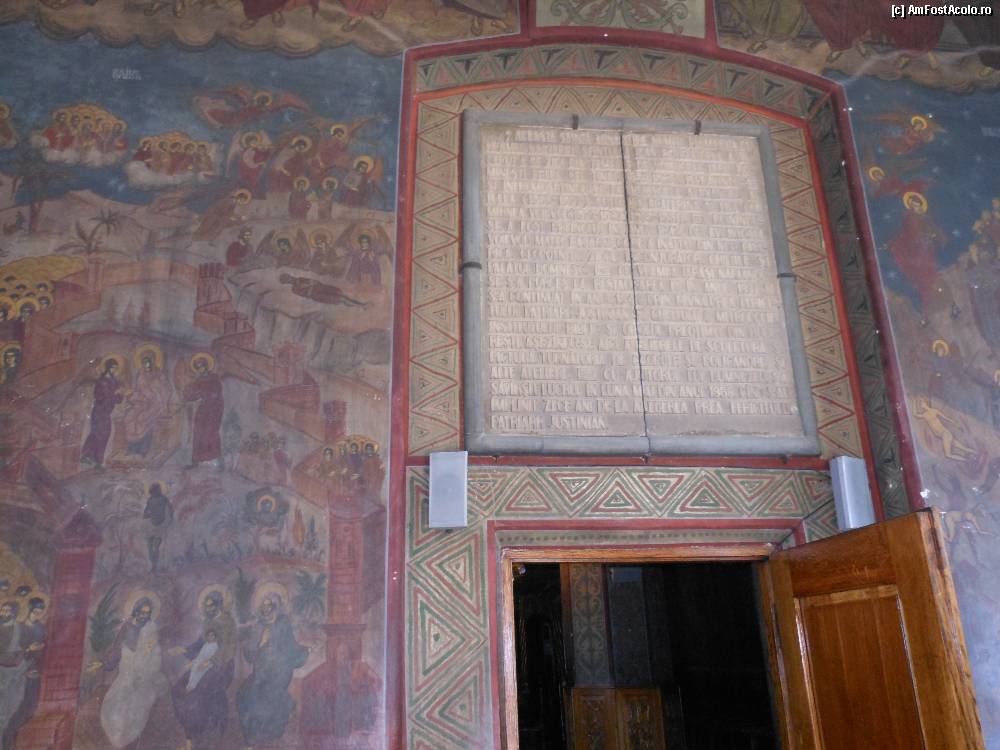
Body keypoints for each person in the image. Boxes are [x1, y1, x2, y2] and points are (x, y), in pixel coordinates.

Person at [89, 594, 168, 750]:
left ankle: (131, 741)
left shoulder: (151, 630)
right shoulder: (126, 628)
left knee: (138, 706)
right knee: (114, 704)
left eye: (147, 613)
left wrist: (150, 652)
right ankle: (118, 740)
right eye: (141, 612)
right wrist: (103, 663)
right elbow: (116, 650)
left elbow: (155, 657)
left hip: (145, 676)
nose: (144, 616)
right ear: (135, 611)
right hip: (127, 674)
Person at [236, 588, 307, 748]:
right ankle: (252, 737)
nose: (266, 609)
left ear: (276, 607)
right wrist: (258, 643)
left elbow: (292, 647)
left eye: (270, 606)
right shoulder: (258, 626)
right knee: (244, 695)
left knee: (266, 696)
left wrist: (305, 650)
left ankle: (269, 732)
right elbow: (250, 656)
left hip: (279, 672)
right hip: (260, 673)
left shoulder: (283, 624)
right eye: (264, 606)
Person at [170, 588, 237, 750]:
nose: (208, 609)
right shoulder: (208, 621)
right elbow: (201, 643)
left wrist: (211, 661)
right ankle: (191, 729)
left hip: (221, 666)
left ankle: (199, 734)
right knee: (178, 689)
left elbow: (229, 648)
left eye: (211, 605)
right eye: (206, 606)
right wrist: (184, 650)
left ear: (219, 605)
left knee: (197, 693)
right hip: (202, 663)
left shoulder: (228, 622)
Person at [3, 598, 46, 750]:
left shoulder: (42, 628)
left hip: (34, 672)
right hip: (18, 672)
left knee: (30, 707)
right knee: (14, 708)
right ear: (29, 609)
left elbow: (44, 650)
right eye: (35, 611)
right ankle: (7, 740)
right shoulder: (19, 628)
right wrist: (28, 650)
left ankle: (12, 740)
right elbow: (13, 652)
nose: (38, 615)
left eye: (41, 612)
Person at [124, 348, 172, 457]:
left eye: (148, 362)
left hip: (156, 403)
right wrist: (132, 396)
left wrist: (157, 386)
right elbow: (138, 390)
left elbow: (166, 389)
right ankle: (132, 448)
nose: (146, 365)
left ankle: (143, 449)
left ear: (152, 362)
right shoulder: (140, 375)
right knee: (129, 418)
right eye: (144, 363)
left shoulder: (159, 374)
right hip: (142, 401)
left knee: (143, 419)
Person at [81, 356, 125, 468]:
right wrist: (117, 395)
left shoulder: (114, 381)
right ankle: (92, 459)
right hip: (99, 412)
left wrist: (120, 394)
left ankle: (92, 459)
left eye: (116, 368)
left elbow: (116, 397)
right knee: (98, 434)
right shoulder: (102, 381)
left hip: (106, 412)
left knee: (102, 435)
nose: (115, 370)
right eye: (113, 368)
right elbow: (104, 397)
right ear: (108, 368)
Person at [183, 354, 224, 469]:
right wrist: (186, 393)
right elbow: (191, 395)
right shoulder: (198, 380)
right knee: (198, 433)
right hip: (203, 410)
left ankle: (219, 462)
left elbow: (216, 393)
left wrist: (204, 395)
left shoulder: (214, 378)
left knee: (211, 434)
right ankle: (195, 461)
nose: (199, 369)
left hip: (213, 410)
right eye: (197, 367)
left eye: (201, 366)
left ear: (206, 366)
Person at [0, 601, 29, 748]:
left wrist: (21, 657)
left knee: (12, 705)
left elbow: (24, 647)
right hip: (1, 670)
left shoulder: (20, 629)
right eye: (2, 610)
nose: (3, 613)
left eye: (7, 611)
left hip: (15, 671)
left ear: (14, 613)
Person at [142, 483, 173, 574]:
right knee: (150, 547)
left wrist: (169, 519)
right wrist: (149, 514)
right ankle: (153, 566)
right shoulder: (150, 500)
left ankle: (154, 566)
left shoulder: (164, 499)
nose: (158, 491)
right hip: (151, 525)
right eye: (157, 489)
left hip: (160, 525)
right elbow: (145, 513)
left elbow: (170, 509)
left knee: (155, 547)